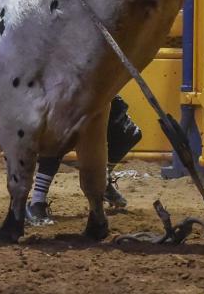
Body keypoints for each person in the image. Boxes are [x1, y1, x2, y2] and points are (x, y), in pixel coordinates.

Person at [26, 95, 143, 225]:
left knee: (130, 133)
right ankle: (37, 201)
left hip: (99, 88)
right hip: (65, 90)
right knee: (58, 139)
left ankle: (104, 179)